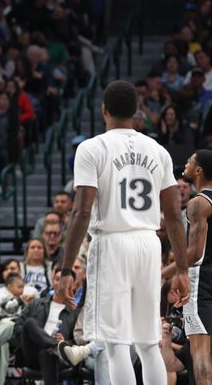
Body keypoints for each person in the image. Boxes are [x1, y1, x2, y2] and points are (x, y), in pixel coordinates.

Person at [56, 80, 190, 385]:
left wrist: (66, 268)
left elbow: (81, 211)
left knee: (116, 344)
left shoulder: (92, 148)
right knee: (147, 342)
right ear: (137, 113)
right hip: (148, 243)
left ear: (104, 110)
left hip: (112, 242)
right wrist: (181, 268)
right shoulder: (158, 150)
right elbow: (172, 215)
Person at [181, 149, 212, 383]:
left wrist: (163, 272)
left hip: (202, 284)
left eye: (190, 160)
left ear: (199, 170)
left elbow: (193, 254)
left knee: (200, 353)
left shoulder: (198, 203)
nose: (186, 163)